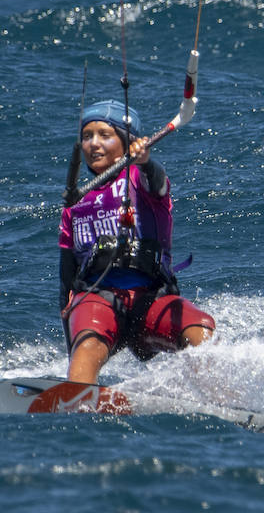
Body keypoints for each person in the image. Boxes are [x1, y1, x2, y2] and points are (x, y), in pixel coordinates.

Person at [58, 99, 214, 385]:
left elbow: (158, 181)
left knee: (200, 331)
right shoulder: (74, 203)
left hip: (151, 300)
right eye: (87, 136)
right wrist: (68, 319)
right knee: (87, 348)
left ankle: (228, 403)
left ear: (127, 142)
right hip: (99, 301)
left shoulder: (140, 178)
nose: (93, 143)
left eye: (105, 135)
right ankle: (77, 397)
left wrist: (145, 161)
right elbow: (67, 273)